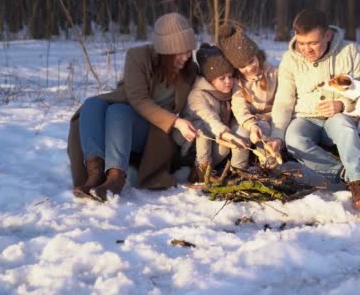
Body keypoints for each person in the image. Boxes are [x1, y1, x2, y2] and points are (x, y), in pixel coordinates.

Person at [68, 13, 198, 202]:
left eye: (188, 50)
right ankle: (94, 174)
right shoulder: (138, 57)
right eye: (179, 52)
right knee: (92, 104)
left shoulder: (190, 71)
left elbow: (209, 85)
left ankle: (115, 179)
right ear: (164, 50)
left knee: (118, 111)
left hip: (153, 132)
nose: (185, 57)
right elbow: (139, 100)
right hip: (124, 119)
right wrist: (177, 121)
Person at [269, 8, 360, 209]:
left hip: (338, 117)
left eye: (313, 43)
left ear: (327, 35)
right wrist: (277, 134)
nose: (306, 49)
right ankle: (343, 174)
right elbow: (284, 100)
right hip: (305, 118)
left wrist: (343, 105)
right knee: (293, 139)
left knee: (344, 128)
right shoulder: (290, 59)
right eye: (301, 43)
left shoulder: (349, 51)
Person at [184, 44, 248, 182]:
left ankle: (231, 170)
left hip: (217, 136)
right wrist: (225, 133)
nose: (228, 82)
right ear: (209, 79)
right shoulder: (197, 95)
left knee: (230, 141)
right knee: (203, 128)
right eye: (222, 78)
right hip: (192, 147)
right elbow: (209, 119)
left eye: (230, 76)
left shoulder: (230, 91)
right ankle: (201, 170)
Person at [217, 24, 278, 169]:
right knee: (241, 135)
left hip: (269, 119)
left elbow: (283, 102)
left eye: (251, 61)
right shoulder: (238, 81)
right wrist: (251, 123)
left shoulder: (273, 73)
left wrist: (267, 117)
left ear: (257, 55)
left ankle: (269, 167)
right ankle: (238, 169)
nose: (249, 68)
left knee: (263, 131)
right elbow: (239, 106)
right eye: (243, 66)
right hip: (244, 120)